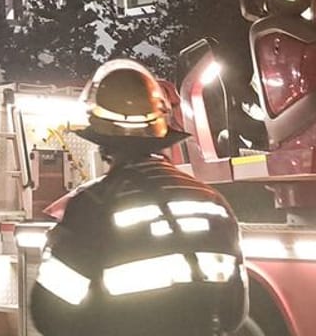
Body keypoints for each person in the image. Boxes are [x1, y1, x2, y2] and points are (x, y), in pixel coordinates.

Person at [30, 60, 248, 336]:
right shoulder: (212, 202)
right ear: (162, 133)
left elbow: (50, 313)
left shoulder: (94, 204)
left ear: (101, 141)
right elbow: (233, 313)